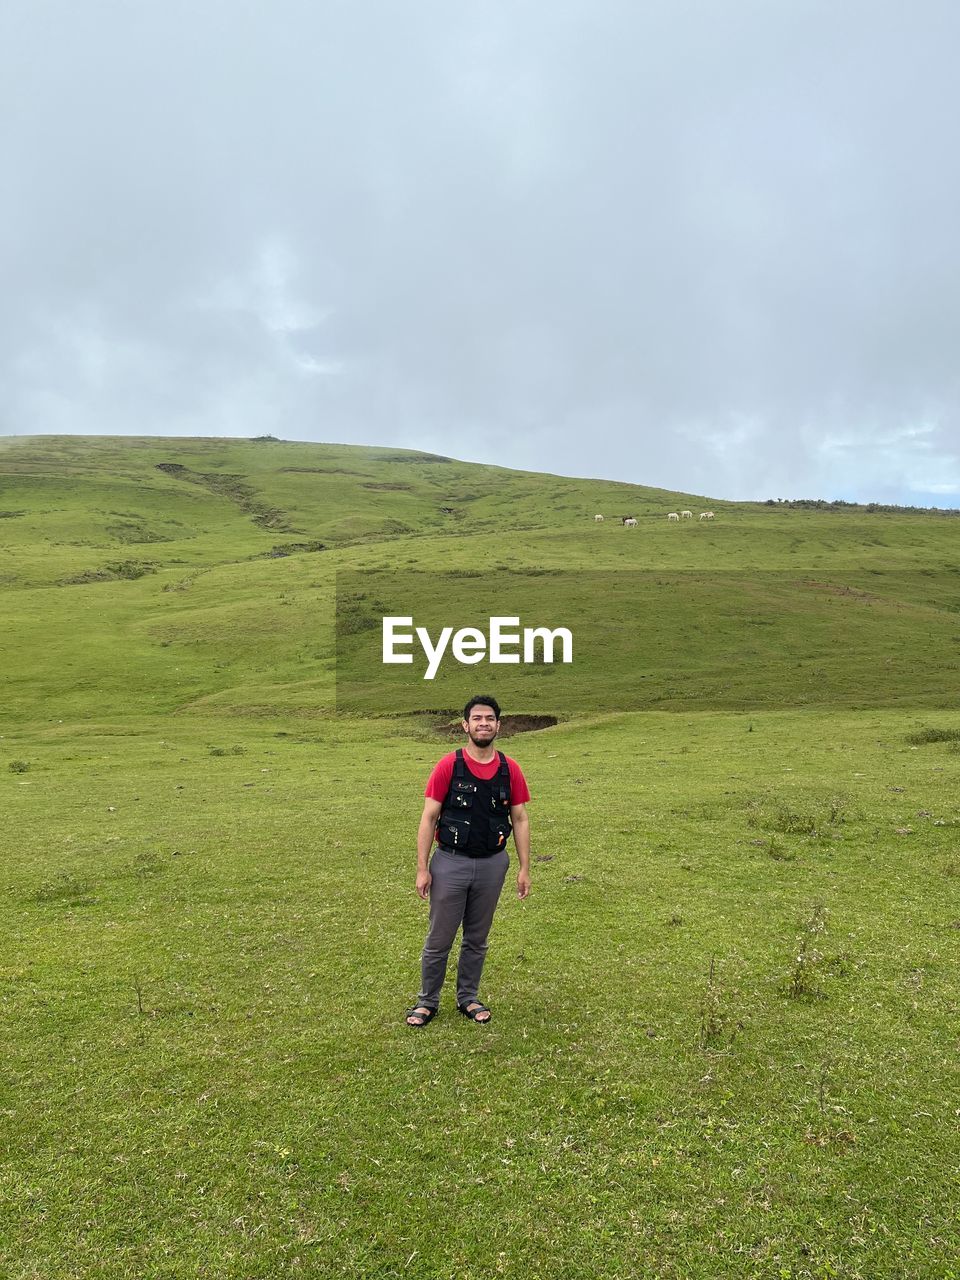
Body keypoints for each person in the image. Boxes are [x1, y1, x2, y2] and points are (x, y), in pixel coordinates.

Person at [405, 695, 531, 1027]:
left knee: (477, 937)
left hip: (492, 865)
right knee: (439, 937)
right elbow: (429, 817)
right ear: (466, 725)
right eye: (477, 718)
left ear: (498, 725)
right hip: (450, 863)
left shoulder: (510, 769)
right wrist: (422, 868)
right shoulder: (449, 765)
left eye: (489, 718)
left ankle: (467, 998)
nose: (483, 723)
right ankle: (427, 1001)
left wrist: (523, 868)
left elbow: (519, 819)